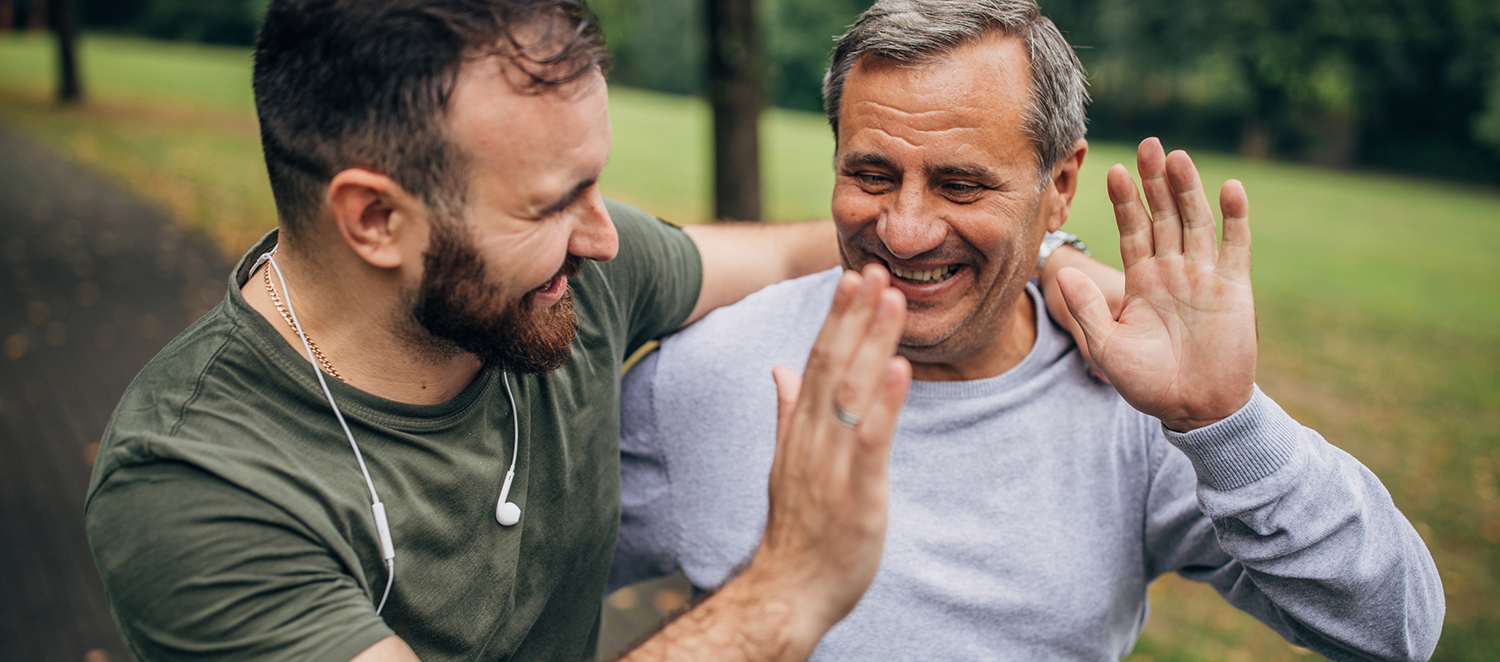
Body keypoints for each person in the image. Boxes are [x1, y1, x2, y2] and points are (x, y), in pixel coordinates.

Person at [82, 0, 1114, 660]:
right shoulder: (195, 483)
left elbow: (811, 247)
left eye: (597, 185)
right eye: (551, 202)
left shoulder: (572, 277)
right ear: (375, 219)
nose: (604, 236)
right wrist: (784, 593)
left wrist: (1044, 253)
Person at [608, 1, 1446, 660]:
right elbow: (512, 601)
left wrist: (1227, 422)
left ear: (1060, 185)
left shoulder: (1137, 404)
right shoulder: (709, 372)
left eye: (960, 185)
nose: (903, 231)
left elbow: (1394, 627)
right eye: (870, 174)